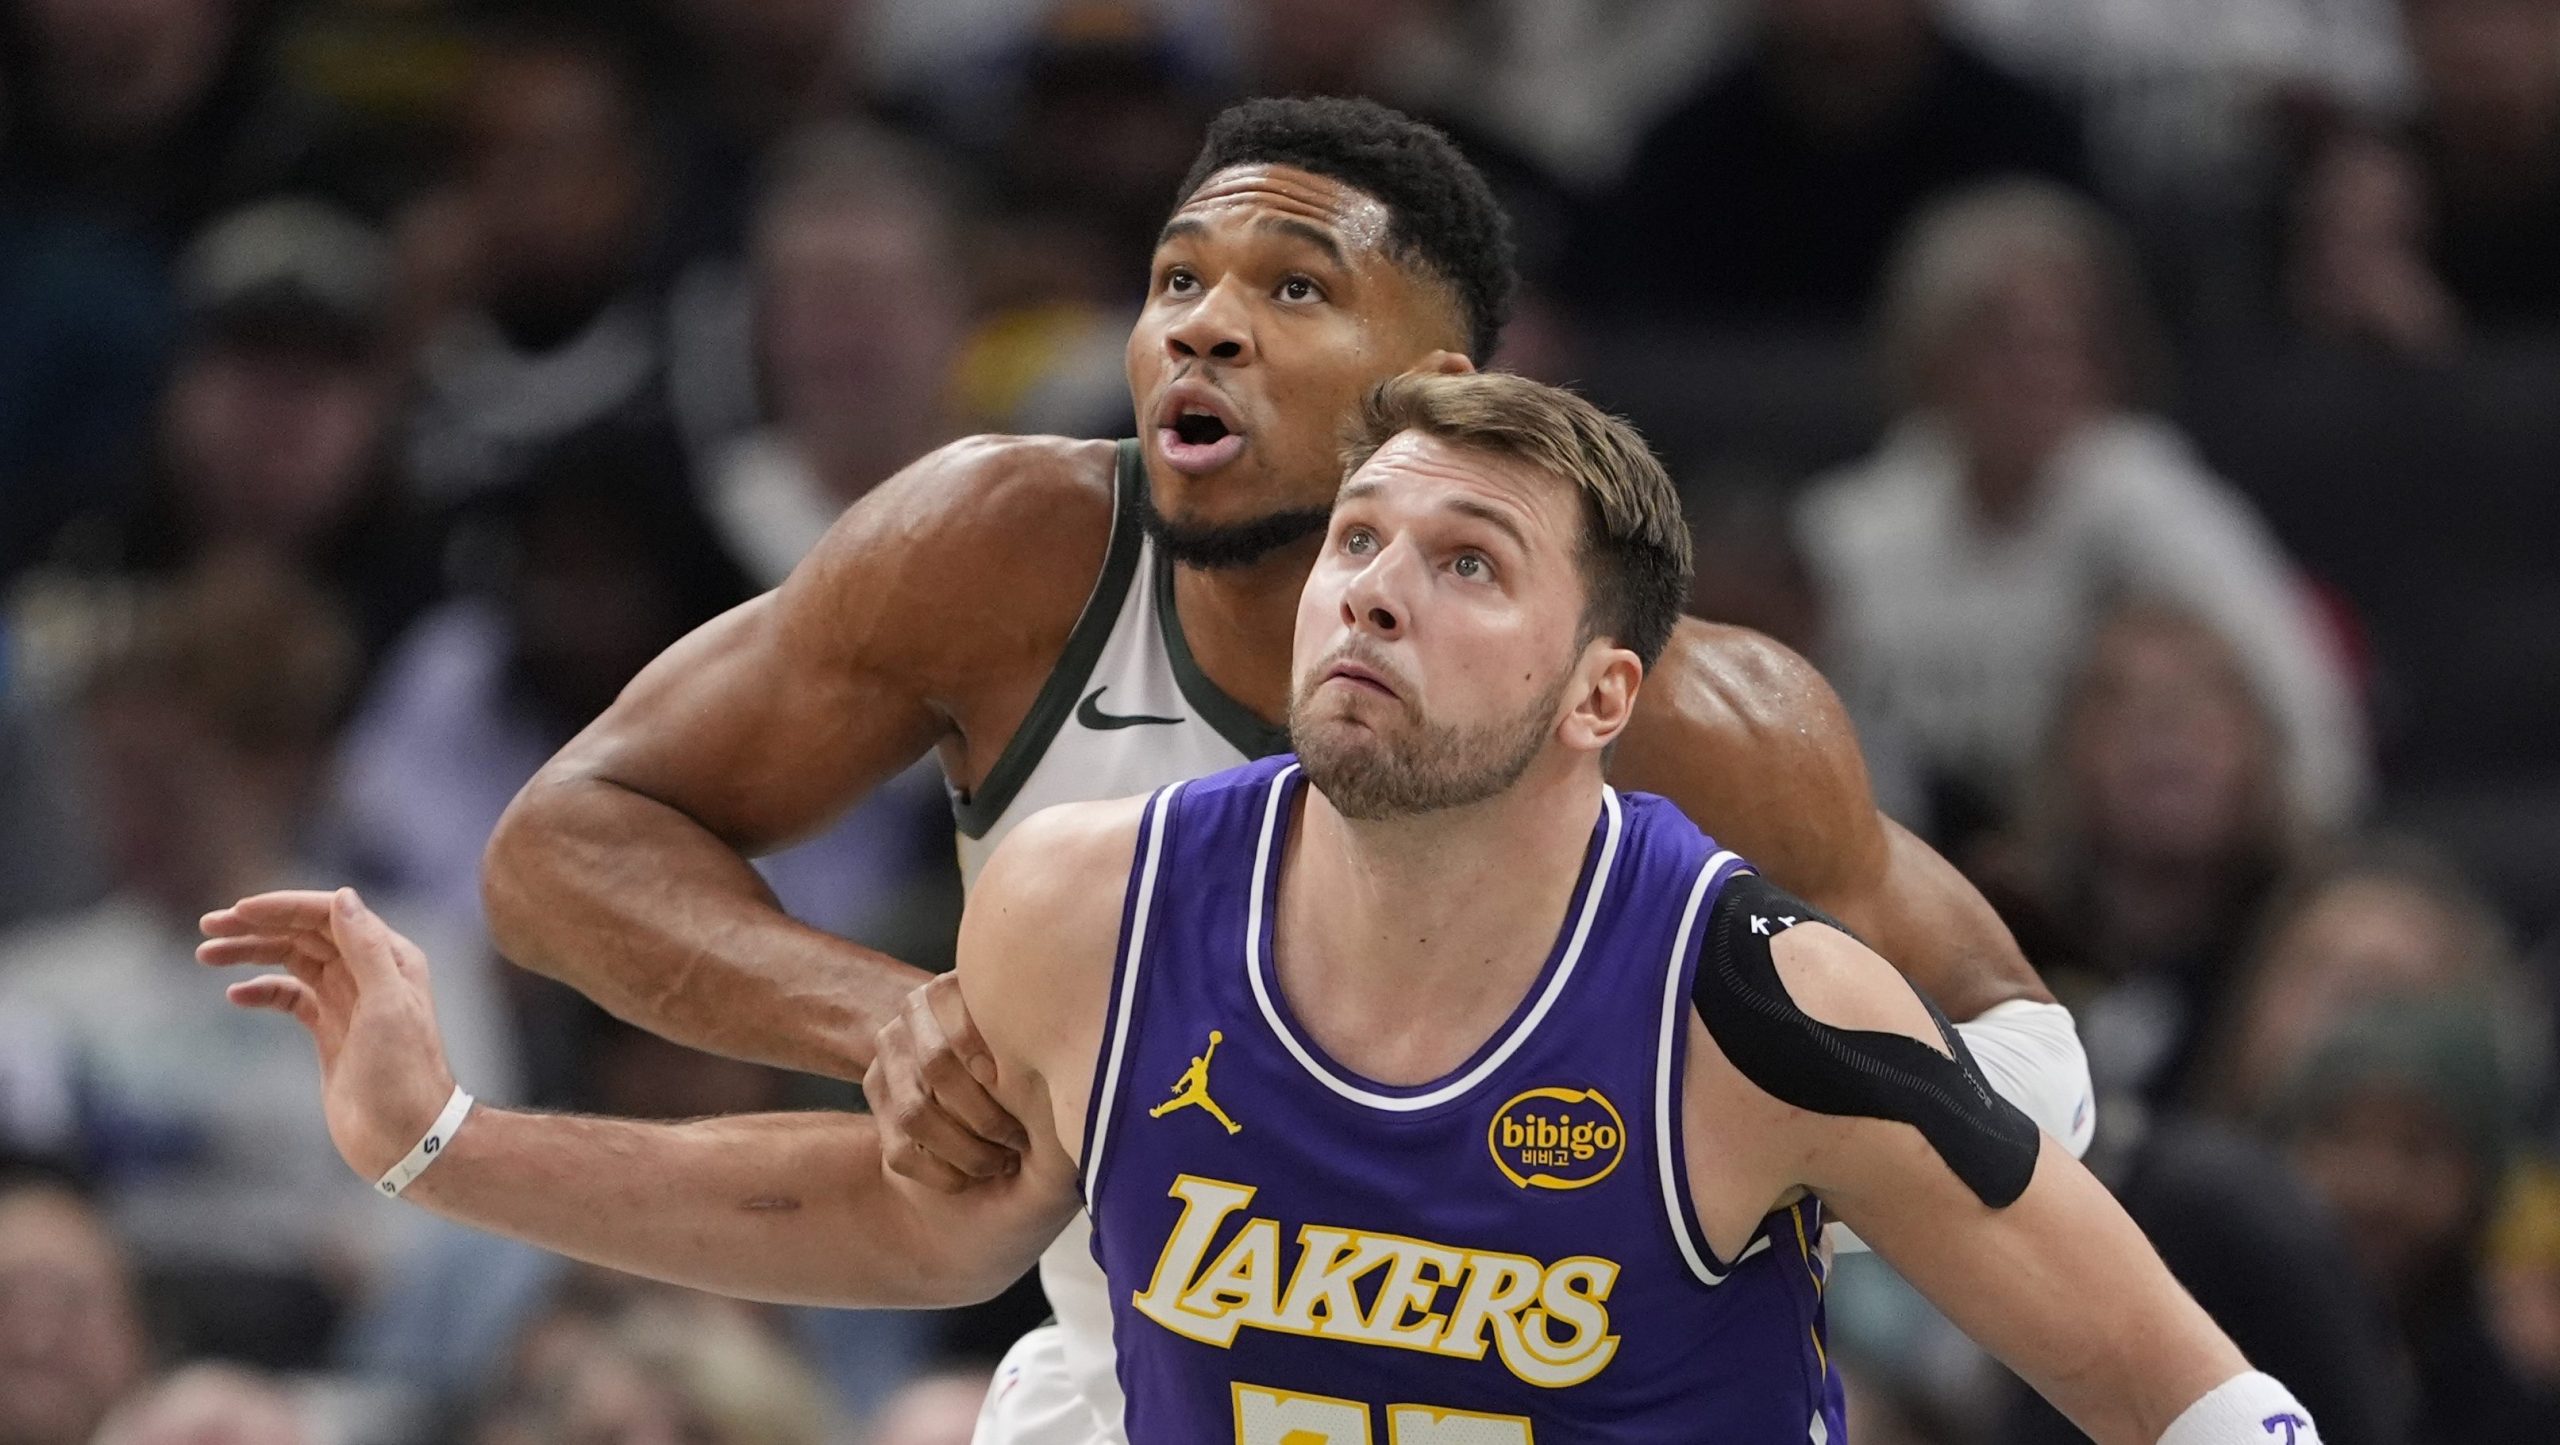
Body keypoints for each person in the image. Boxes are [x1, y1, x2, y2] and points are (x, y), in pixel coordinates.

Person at [207, 370, 2313, 1444]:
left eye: (1467, 562)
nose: (1375, 587)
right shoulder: (1091, 904)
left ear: (1601, 697)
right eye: (1361, 540)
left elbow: (2201, 1400)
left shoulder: (1751, 1000)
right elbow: (912, 1220)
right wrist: (441, 1145)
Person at [449, 97, 2095, 1443]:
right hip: (1147, 1390)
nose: (1204, 326)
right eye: (1175, 280)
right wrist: (881, 1016)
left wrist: (1751, 1168)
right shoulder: (1001, 555)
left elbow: (2015, 1052)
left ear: (1444, 394)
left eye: (1294, 290)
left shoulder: (1666, 704)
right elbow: (561, 848)